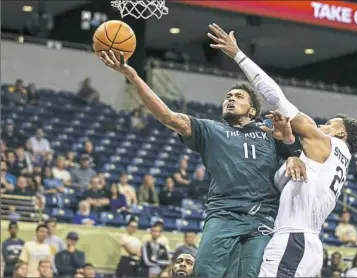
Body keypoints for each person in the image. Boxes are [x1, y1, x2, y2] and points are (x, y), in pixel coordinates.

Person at [100, 38, 303, 277]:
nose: (230, 99)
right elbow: (167, 116)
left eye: (238, 96)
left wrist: (293, 149)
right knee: (205, 273)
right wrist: (133, 76)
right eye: (228, 96)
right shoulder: (209, 129)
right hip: (224, 214)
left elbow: (295, 146)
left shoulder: (268, 130)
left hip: (263, 218)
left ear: (252, 110)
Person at [207, 23, 357, 277]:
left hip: (294, 240)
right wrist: (290, 151)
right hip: (304, 242)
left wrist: (238, 55)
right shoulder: (334, 161)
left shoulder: (325, 143)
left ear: (340, 133)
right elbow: (288, 183)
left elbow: (277, 98)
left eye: (328, 124)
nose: (322, 126)